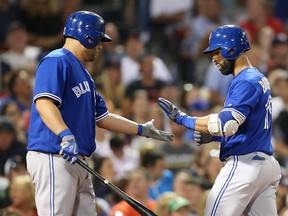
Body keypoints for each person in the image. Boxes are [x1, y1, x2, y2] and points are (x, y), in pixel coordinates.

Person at [26, 11, 173, 216]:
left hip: (78, 160)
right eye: (99, 39)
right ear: (87, 36)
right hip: (54, 154)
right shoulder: (56, 60)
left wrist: (141, 129)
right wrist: (65, 134)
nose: (100, 45)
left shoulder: (84, 73)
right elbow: (44, 103)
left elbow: (102, 118)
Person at [157, 25, 281, 215]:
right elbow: (250, 127)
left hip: (245, 165)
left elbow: (227, 124)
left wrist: (183, 119)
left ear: (232, 48)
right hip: (265, 165)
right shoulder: (257, 77)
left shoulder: (246, 79)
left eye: (217, 51)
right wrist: (216, 138)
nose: (214, 58)